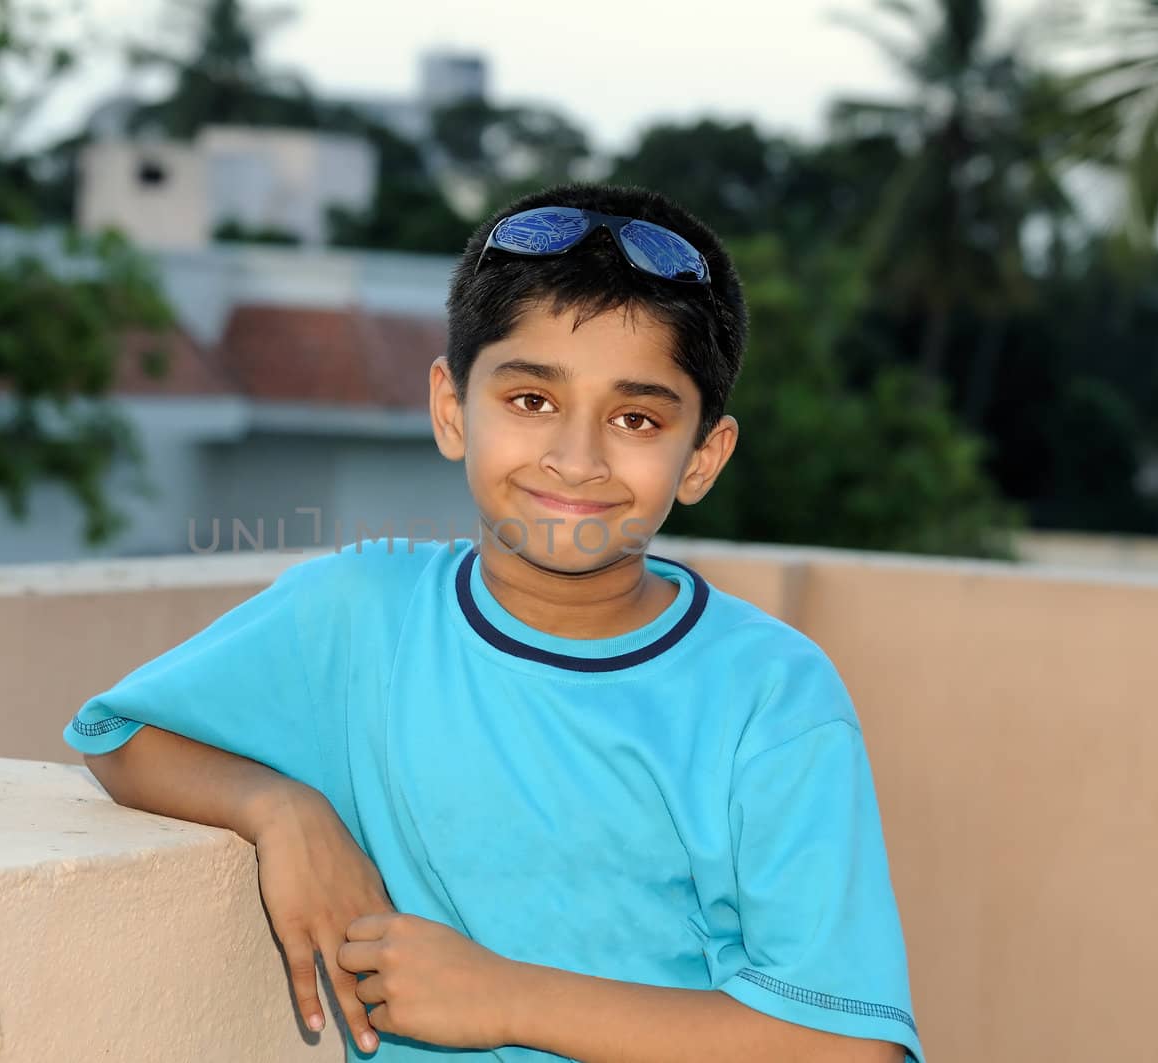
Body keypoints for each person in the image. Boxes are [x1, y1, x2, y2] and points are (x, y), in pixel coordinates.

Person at [63, 183, 923, 1063]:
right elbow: (123, 738)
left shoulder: (769, 693)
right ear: (450, 407)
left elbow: (851, 1048)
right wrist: (280, 806)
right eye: (532, 401)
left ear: (702, 456)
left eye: (636, 418)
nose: (576, 458)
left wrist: (507, 997)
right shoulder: (361, 611)